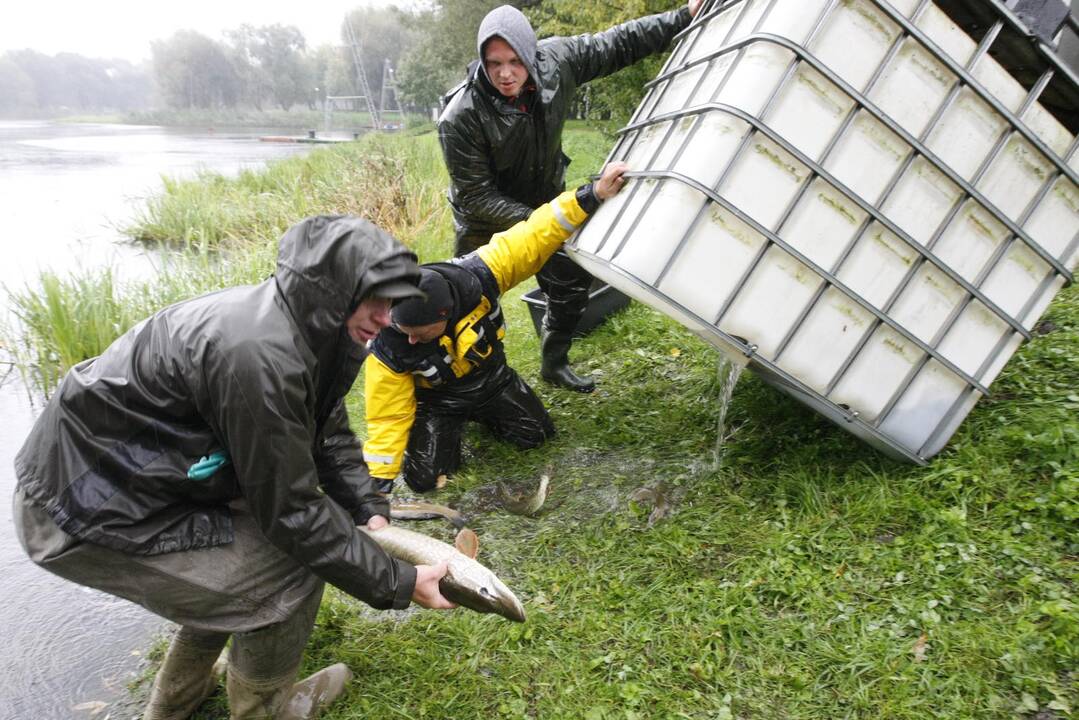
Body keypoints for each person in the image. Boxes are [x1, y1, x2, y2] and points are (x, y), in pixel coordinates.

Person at [12, 215, 457, 720]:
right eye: (373, 301)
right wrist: (398, 581)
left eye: (392, 302)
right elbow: (292, 513)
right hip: (80, 506)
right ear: (329, 291)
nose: (385, 318)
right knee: (288, 572)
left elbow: (326, 430)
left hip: (146, 484)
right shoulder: (258, 355)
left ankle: (175, 701)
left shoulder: (311, 329)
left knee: (258, 555)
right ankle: (264, 710)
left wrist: (366, 504)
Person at [438, 1, 702, 393]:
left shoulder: (558, 61)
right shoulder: (460, 116)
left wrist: (683, 16)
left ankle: (553, 362)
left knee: (570, 284)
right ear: (482, 61)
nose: (505, 74)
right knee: (470, 310)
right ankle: (480, 388)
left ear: (530, 54)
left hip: (544, 198)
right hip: (484, 222)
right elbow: (477, 196)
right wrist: (547, 220)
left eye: (514, 60)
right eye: (494, 64)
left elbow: (618, 43)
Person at [364, 162, 628, 494]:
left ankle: (486, 417)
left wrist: (595, 193)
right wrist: (379, 479)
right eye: (404, 331)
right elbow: (386, 415)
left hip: (492, 381)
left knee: (537, 436)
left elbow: (536, 233)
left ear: (446, 315)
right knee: (424, 480)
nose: (412, 339)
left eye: (420, 331)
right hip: (438, 401)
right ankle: (446, 427)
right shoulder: (388, 342)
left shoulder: (482, 274)